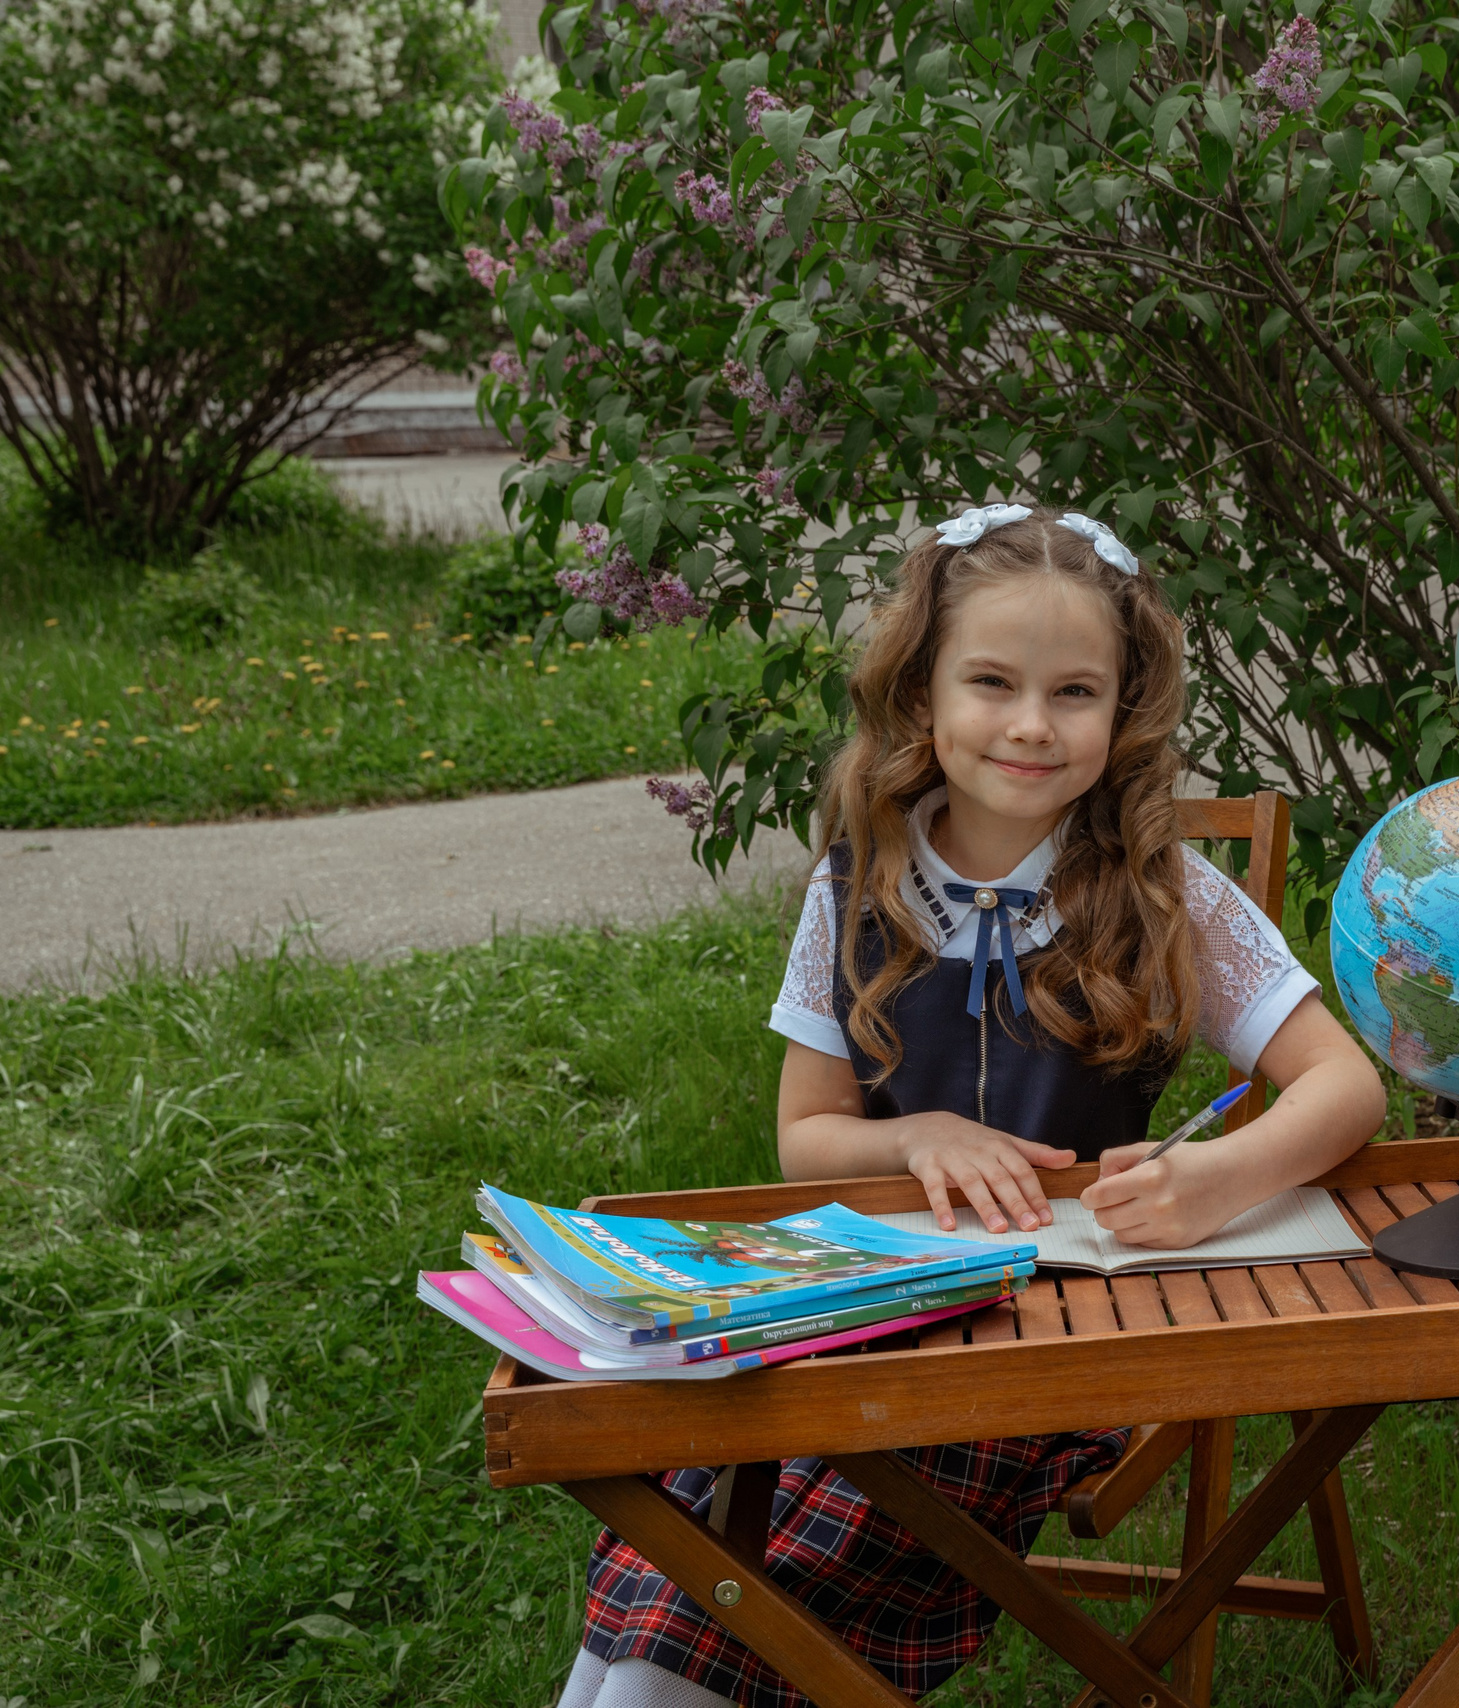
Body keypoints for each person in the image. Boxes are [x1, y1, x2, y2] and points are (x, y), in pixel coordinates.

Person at [559, 504, 1387, 1708]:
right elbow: (806, 1143)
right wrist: (914, 1136)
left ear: (1126, 706)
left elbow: (1347, 1082)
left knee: (713, 1606)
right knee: (676, 1568)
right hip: (857, 1301)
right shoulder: (858, 879)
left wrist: (1222, 1175)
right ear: (921, 693)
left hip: (1054, 1343)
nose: (1030, 726)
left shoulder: (1165, 895)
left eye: (1075, 693)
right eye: (991, 681)